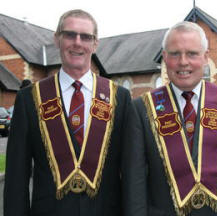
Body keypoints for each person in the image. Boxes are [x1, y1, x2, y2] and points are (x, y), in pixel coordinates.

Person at [122, 21, 217, 216]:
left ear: (206, 57)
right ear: (164, 58)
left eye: (192, 53)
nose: (183, 62)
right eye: (174, 54)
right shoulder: (141, 109)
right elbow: (134, 182)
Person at [4, 9, 131, 216]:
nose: (78, 43)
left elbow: (130, 172)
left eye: (86, 37)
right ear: (57, 39)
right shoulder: (29, 99)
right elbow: (16, 177)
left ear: (95, 43)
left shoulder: (120, 98)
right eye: (70, 34)